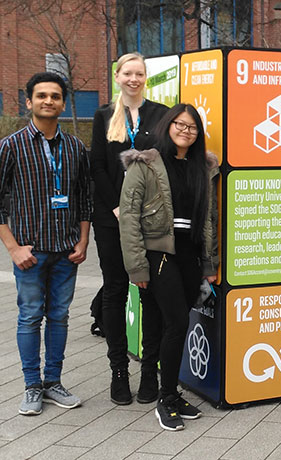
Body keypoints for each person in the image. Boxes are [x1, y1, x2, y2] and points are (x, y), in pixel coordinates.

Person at [119, 104, 219, 431]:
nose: (185, 131)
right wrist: (137, 268)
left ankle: (171, 394)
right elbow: (130, 218)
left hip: (189, 255)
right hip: (158, 254)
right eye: (180, 124)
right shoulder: (145, 163)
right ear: (168, 125)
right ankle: (166, 397)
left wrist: (209, 262)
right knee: (177, 322)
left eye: (192, 127)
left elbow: (207, 219)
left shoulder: (200, 167)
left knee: (176, 323)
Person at [0, 72, 92, 415]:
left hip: (67, 250)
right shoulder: (11, 145)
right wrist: (12, 247)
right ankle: (31, 387)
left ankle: (53, 382)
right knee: (29, 317)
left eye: (55, 96)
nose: (48, 101)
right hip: (30, 252)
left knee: (60, 317)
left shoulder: (74, 147)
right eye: (41, 96)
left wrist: (83, 241)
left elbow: (85, 198)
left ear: (63, 103)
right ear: (29, 102)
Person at [90, 52, 169, 405]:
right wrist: (118, 206)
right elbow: (98, 167)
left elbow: (164, 165)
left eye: (139, 73)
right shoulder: (104, 115)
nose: (133, 78)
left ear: (145, 78)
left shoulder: (160, 113)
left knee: (150, 291)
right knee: (115, 291)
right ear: (117, 77)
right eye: (128, 73)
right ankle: (119, 372)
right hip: (112, 219)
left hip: (149, 220)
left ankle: (149, 371)